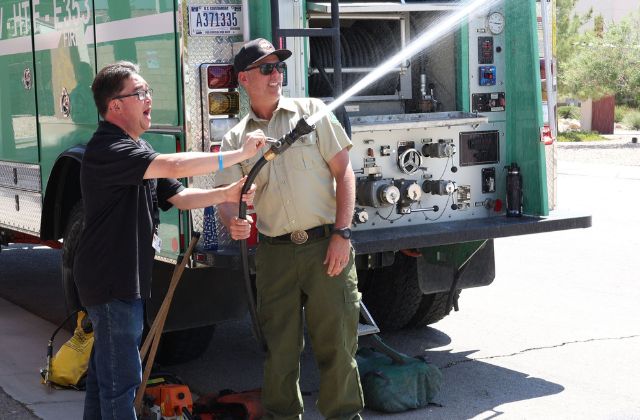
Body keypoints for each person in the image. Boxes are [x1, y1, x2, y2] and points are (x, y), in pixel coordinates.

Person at [73, 61, 263, 420]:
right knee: (122, 382)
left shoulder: (136, 148)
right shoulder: (109, 149)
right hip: (110, 282)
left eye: (148, 91)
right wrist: (237, 155)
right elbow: (175, 167)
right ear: (115, 105)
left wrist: (228, 192)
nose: (149, 98)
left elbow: (180, 196)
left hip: (122, 281)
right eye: (140, 92)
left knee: (104, 378)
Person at [216, 39, 364, 420]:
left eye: (279, 67)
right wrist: (232, 220)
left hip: (325, 246)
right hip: (275, 254)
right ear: (244, 79)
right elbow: (227, 197)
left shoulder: (312, 112)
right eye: (266, 69)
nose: (276, 75)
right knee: (279, 351)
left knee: (338, 346)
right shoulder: (236, 140)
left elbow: (345, 174)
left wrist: (342, 235)